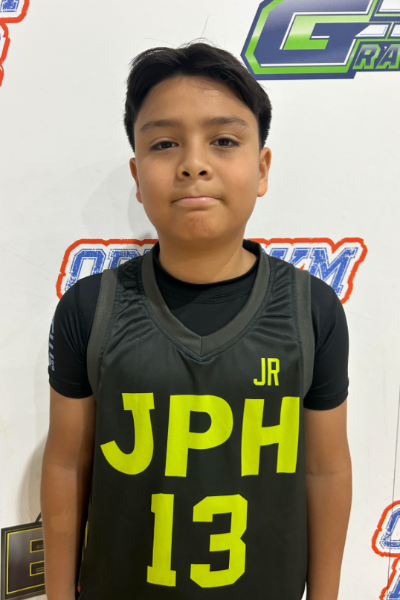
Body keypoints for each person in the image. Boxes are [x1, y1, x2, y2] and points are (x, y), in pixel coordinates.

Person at [40, 41, 352, 600]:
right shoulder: (89, 308)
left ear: (262, 168)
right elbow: (66, 463)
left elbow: (325, 470)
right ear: (138, 177)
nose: (193, 163)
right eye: (164, 144)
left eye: (223, 140)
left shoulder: (312, 309)